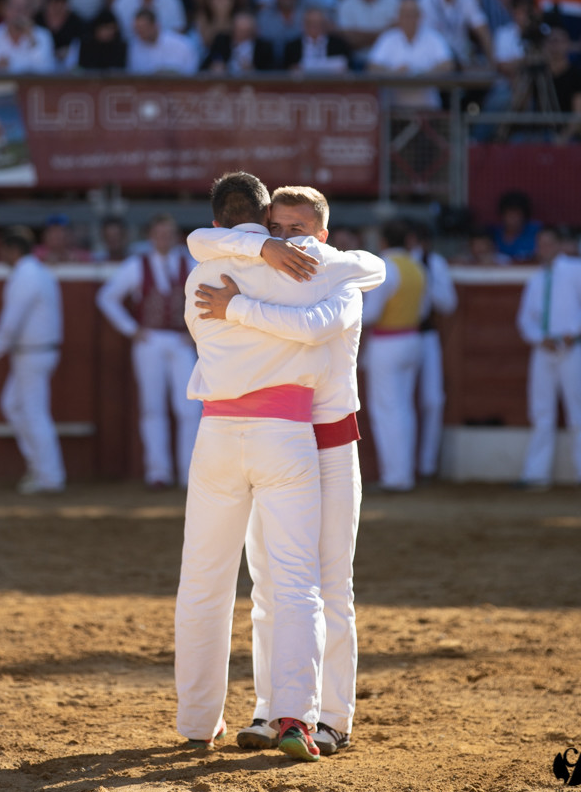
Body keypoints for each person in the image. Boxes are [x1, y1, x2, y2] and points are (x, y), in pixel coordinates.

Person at [176, 170, 384, 758]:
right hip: (287, 438)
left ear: (322, 233)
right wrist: (261, 251)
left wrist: (239, 304)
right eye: (278, 228)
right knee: (273, 584)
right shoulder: (282, 262)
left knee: (327, 581)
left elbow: (359, 282)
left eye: (299, 229)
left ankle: (332, 716)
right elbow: (206, 239)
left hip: (324, 443)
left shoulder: (335, 272)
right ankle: (274, 709)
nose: (288, 238)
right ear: (262, 226)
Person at [97, 214, 201, 489]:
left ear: (175, 236)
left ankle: (188, 473)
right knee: (153, 407)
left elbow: (206, 300)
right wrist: (131, 329)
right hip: (150, 340)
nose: (164, 239)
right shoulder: (137, 264)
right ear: (150, 237)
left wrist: (196, 333)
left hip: (181, 340)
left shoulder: (191, 264)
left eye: (168, 233)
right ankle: (158, 473)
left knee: (190, 408)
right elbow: (106, 297)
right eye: (159, 234)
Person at [516, 225, 581, 489]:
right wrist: (538, 338)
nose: (543, 249)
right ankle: (536, 475)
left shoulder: (577, 269)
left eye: (548, 243)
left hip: (572, 347)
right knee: (541, 411)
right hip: (543, 349)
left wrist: (575, 331)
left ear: (558, 245)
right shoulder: (536, 279)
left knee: (578, 409)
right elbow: (524, 320)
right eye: (540, 244)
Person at [0, 225, 66, 494]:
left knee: (34, 414)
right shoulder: (38, 272)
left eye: (3, 251)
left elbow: (11, 322)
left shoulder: (26, 275)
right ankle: (39, 467)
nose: (1, 257)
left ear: (13, 250)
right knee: (13, 405)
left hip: (33, 354)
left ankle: (50, 476)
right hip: (34, 352)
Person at [360, 219, 427, 492]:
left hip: (387, 343)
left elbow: (371, 313)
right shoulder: (416, 266)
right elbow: (424, 309)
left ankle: (394, 477)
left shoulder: (385, 267)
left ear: (383, 241)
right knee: (404, 408)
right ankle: (404, 474)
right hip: (412, 338)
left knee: (387, 410)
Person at [406, 220, 458, 480]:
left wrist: (424, 279)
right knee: (401, 403)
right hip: (401, 333)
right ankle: (404, 467)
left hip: (426, 334)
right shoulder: (394, 261)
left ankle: (426, 466)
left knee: (432, 400)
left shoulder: (433, 263)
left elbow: (448, 304)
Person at [366, 0, 453, 109]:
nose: (409, 19)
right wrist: (394, 73)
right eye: (405, 15)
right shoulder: (388, 38)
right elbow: (372, 67)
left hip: (428, 109)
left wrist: (422, 75)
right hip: (393, 110)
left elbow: (447, 65)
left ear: (420, 17)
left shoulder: (433, 37)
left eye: (413, 15)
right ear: (398, 17)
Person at [418, 0, 493, 67]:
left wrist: (493, 63)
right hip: (432, 62)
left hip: (460, 60)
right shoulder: (424, 1)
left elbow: (482, 30)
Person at [492, 190, 541, 261]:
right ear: (502, 215)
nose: (513, 219)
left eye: (517, 214)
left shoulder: (537, 232)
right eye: (509, 214)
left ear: (524, 215)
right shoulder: (493, 234)